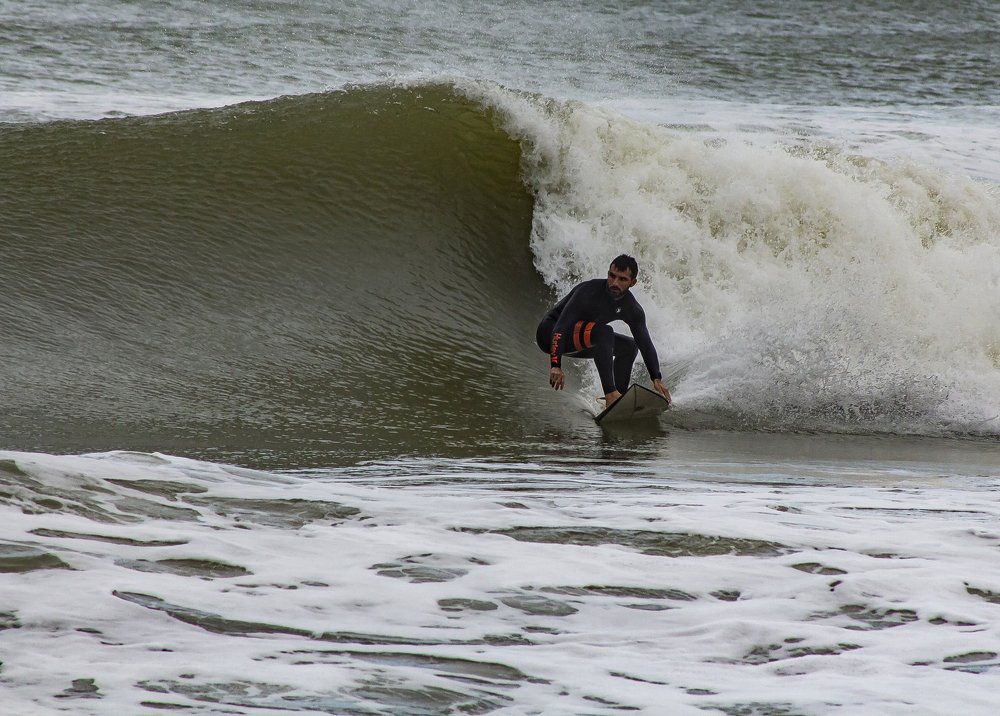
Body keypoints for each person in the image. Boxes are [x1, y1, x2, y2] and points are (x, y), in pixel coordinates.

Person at [536, 255, 671, 408]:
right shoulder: (589, 291)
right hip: (550, 334)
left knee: (630, 346)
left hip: (580, 337)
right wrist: (556, 365)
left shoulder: (632, 308)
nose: (614, 283)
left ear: (633, 283)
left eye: (622, 279)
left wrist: (656, 378)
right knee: (604, 332)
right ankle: (611, 395)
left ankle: (616, 400)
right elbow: (561, 326)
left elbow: (645, 344)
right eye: (612, 276)